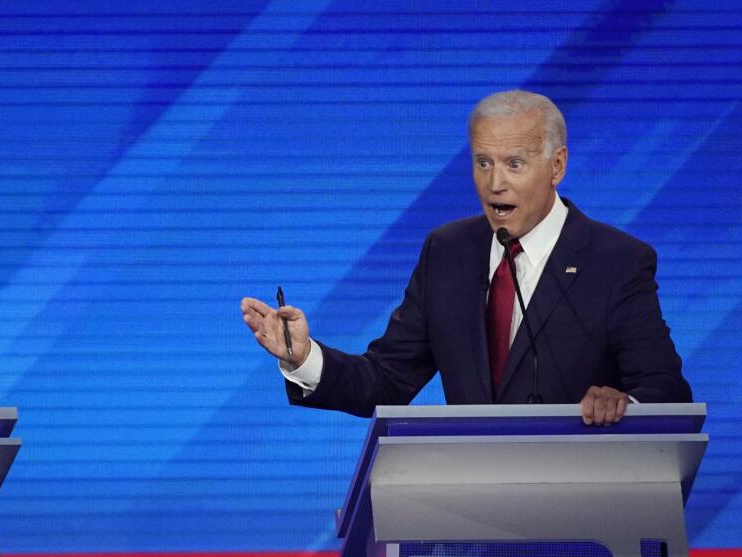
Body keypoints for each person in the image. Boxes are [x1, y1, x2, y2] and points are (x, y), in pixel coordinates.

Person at [241, 90, 691, 426]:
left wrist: (624, 405)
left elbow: (666, 389)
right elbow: (385, 381)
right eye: (482, 163)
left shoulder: (616, 262)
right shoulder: (448, 253)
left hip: (587, 516)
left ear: (557, 166)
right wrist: (303, 357)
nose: (495, 183)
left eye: (514, 164)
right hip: (474, 522)